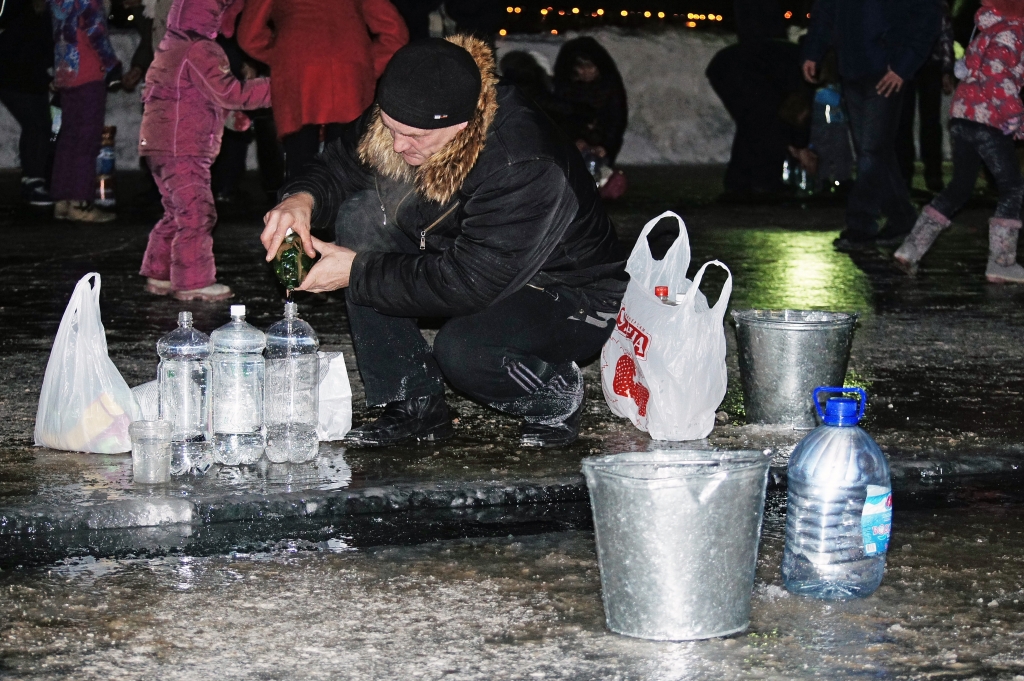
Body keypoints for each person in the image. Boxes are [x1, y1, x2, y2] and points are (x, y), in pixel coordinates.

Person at [260, 36, 628, 448]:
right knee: (361, 216)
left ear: (463, 125)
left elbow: (470, 281)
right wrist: (300, 200)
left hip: (567, 291)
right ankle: (413, 402)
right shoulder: (411, 106)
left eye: (414, 136)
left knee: (466, 351)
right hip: (467, 254)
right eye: (391, 127)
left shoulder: (523, 162)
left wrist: (355, 271)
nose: (399, 145)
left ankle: (552, 394)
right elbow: (342, 164)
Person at [137, 0, 271, 301]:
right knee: (197, 212)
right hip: (183, 145)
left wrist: (234, 118)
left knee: (176, 211)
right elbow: (229, 92)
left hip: (159, 145)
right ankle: (192, 280)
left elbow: (195, 95)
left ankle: (159, 273)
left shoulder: (171, 46)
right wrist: (278, 88)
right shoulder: (200, 49)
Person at [893, 0, 1024, 283]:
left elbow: (968, 68)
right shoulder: (1012, 31)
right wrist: (1015, 117)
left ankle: (911, 249)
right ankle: (1001, 262)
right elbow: (997, 76)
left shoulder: (986, 30)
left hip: (963, 116)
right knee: (1012, 188)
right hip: (987, 120)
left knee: (959, 187)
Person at [802, 0, 941, 249]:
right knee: (875, 151)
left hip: (885, 68)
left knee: (871, 151)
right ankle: (902, 218)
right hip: (853, 67)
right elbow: (826, 9)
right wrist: (814, 50)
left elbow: (928, 14)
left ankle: (861, 224)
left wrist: (903, 65)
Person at [236, 0, 407, 183]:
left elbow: (249, 36)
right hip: (348, 74)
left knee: (302, 170)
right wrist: (368, 68)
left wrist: (281, 56)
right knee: (345, 169)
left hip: (299, 74)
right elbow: (395, 32)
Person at [707, 0, 810, 199]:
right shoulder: (803, 70)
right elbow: (798, 114)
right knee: (767, 122)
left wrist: (797, 144)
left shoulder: (789, 55)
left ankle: (739, 184)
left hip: (727, 67)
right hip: (739, 71)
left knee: (753, 124)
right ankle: (765, 184)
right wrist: (800, 146)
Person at [48, 0, 123, 223]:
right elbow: (96, 34)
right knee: (86, 140)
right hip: (88, 72)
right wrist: (112, 66)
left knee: (69, 138)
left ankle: (62, 200)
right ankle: (81, 202)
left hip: (67, 72)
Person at [896, 0, 955, 194]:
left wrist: (946, 70)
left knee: (930, 122)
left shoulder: (936, 5)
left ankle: (932, 175)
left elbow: (945, 35)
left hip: (929, 65)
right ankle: (906, 175)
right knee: (904, 122)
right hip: (906, 66)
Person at [0, 0, 55, 207]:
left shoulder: (42, 13)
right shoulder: (20, 12)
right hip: (16, 78)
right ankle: (33, 182)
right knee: (37, 126)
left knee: (37, 126)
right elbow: (22, 50)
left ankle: (31, 179)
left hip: (29, 78)